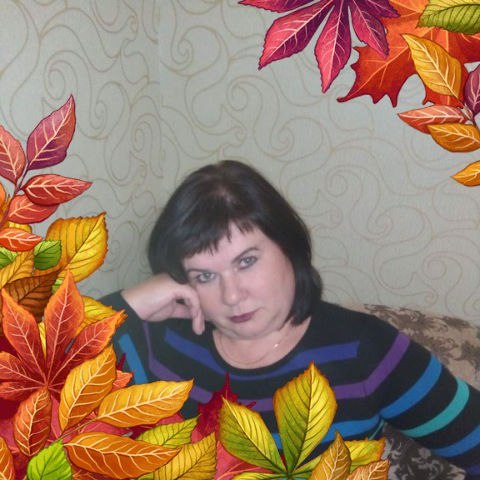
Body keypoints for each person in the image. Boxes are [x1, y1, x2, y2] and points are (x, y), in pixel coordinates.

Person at [102, 160, 480, 478]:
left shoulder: (366, 350)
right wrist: (132, 303)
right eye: (205, 276)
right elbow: (63, 386)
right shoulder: (162, 341)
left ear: (289, 247)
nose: (231, 295)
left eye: (247, 261)